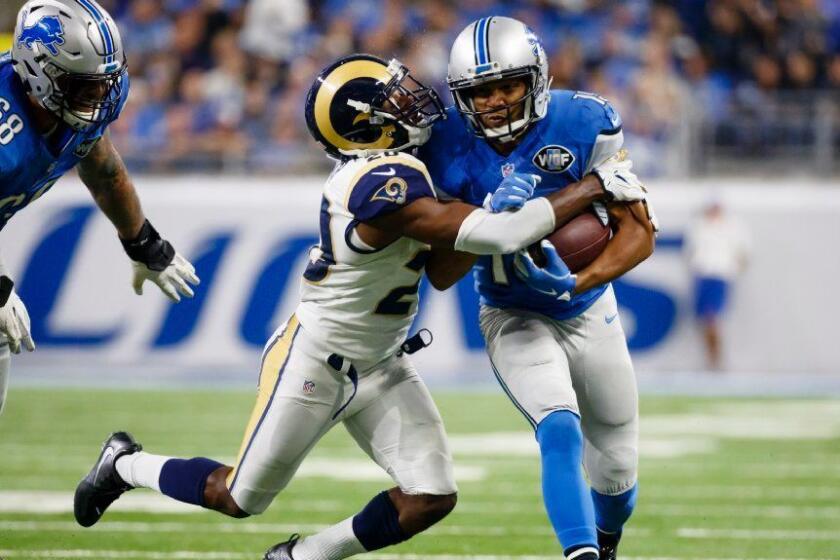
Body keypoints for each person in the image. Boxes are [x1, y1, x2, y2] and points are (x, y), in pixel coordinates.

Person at [72, 54, 645, 560]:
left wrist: (489, 211)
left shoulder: (417, 169)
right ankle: (124, 464)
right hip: (318, 361)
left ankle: (305, 556)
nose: (414, 101)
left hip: (385, 360)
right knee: (238, 496)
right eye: (393, 99)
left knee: (431, 498)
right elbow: (490, 238)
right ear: (366, 125)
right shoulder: (376, 183)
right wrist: (587, 187)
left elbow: (449, 265)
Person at [417, 17, 658, 560]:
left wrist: (579, 278)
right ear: (462, 98)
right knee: (558, 424)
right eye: (481, 92)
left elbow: (639, 234)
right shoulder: (447, 149)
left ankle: (607, 541)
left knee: (617, 471)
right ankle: (580, 554)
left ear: (538, 79)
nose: (497, 102)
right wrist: (482, 222)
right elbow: (440, 272)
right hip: (510, 312)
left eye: (508, 86)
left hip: (589, 308)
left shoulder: (583, 122)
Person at [0, 0, 199, 415]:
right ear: (37, 72)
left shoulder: (72, 109)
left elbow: (104, 168)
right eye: (83, 85)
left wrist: (142, 241)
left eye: (103, 82)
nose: (98, 96)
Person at [683, 199, 749, 370]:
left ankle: (715, 360)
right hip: (703, 276)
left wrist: (731, 270)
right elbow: (691, 252)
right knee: (705, 321)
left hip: (719, 276)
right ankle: (712, 359)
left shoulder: (732, 227)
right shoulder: (699, 226)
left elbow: (743, 254)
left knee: (711, 318)